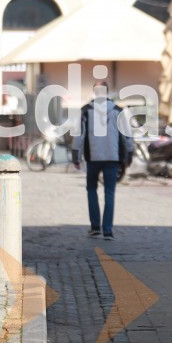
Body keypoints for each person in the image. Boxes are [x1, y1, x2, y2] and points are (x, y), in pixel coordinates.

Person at [72, 81, 134, 241]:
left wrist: (76, 156)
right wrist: (129, 155)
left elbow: (79, 136)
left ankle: (95, 227)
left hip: (93, 158)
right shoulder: (118, 111)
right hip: (113, 157)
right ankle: (107, 230)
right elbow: (127, 135)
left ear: (94, 92)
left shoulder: (86, 111)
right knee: (110, 193)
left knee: (91, 190)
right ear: (107, 92)